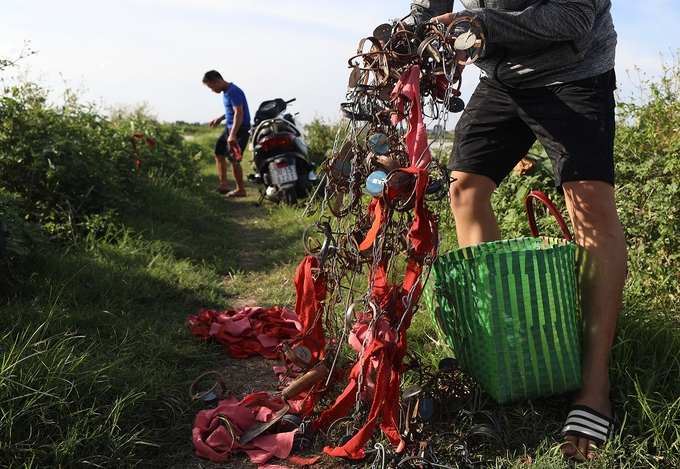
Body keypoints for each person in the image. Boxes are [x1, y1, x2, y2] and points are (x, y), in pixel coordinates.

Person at [428, 0, 626, 462]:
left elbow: (574, 15)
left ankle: (595, 382)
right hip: (500, 78)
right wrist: (416, 25)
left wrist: (479, 24)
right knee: (465, 191)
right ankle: (504, 346)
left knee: (590, 204)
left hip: (572, 71)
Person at [202, 70, 251, 197]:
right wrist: (220, 118)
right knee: (218, 152)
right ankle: (224, 185)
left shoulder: (234, 91)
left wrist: (233, 134)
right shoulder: (227, 92)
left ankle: (240, 190)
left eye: (212, 87)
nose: (212, 90)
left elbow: (239, 113)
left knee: (233, 158)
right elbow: (231, 110)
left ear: (218, 81)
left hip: (240, 128)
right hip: (230, 127)